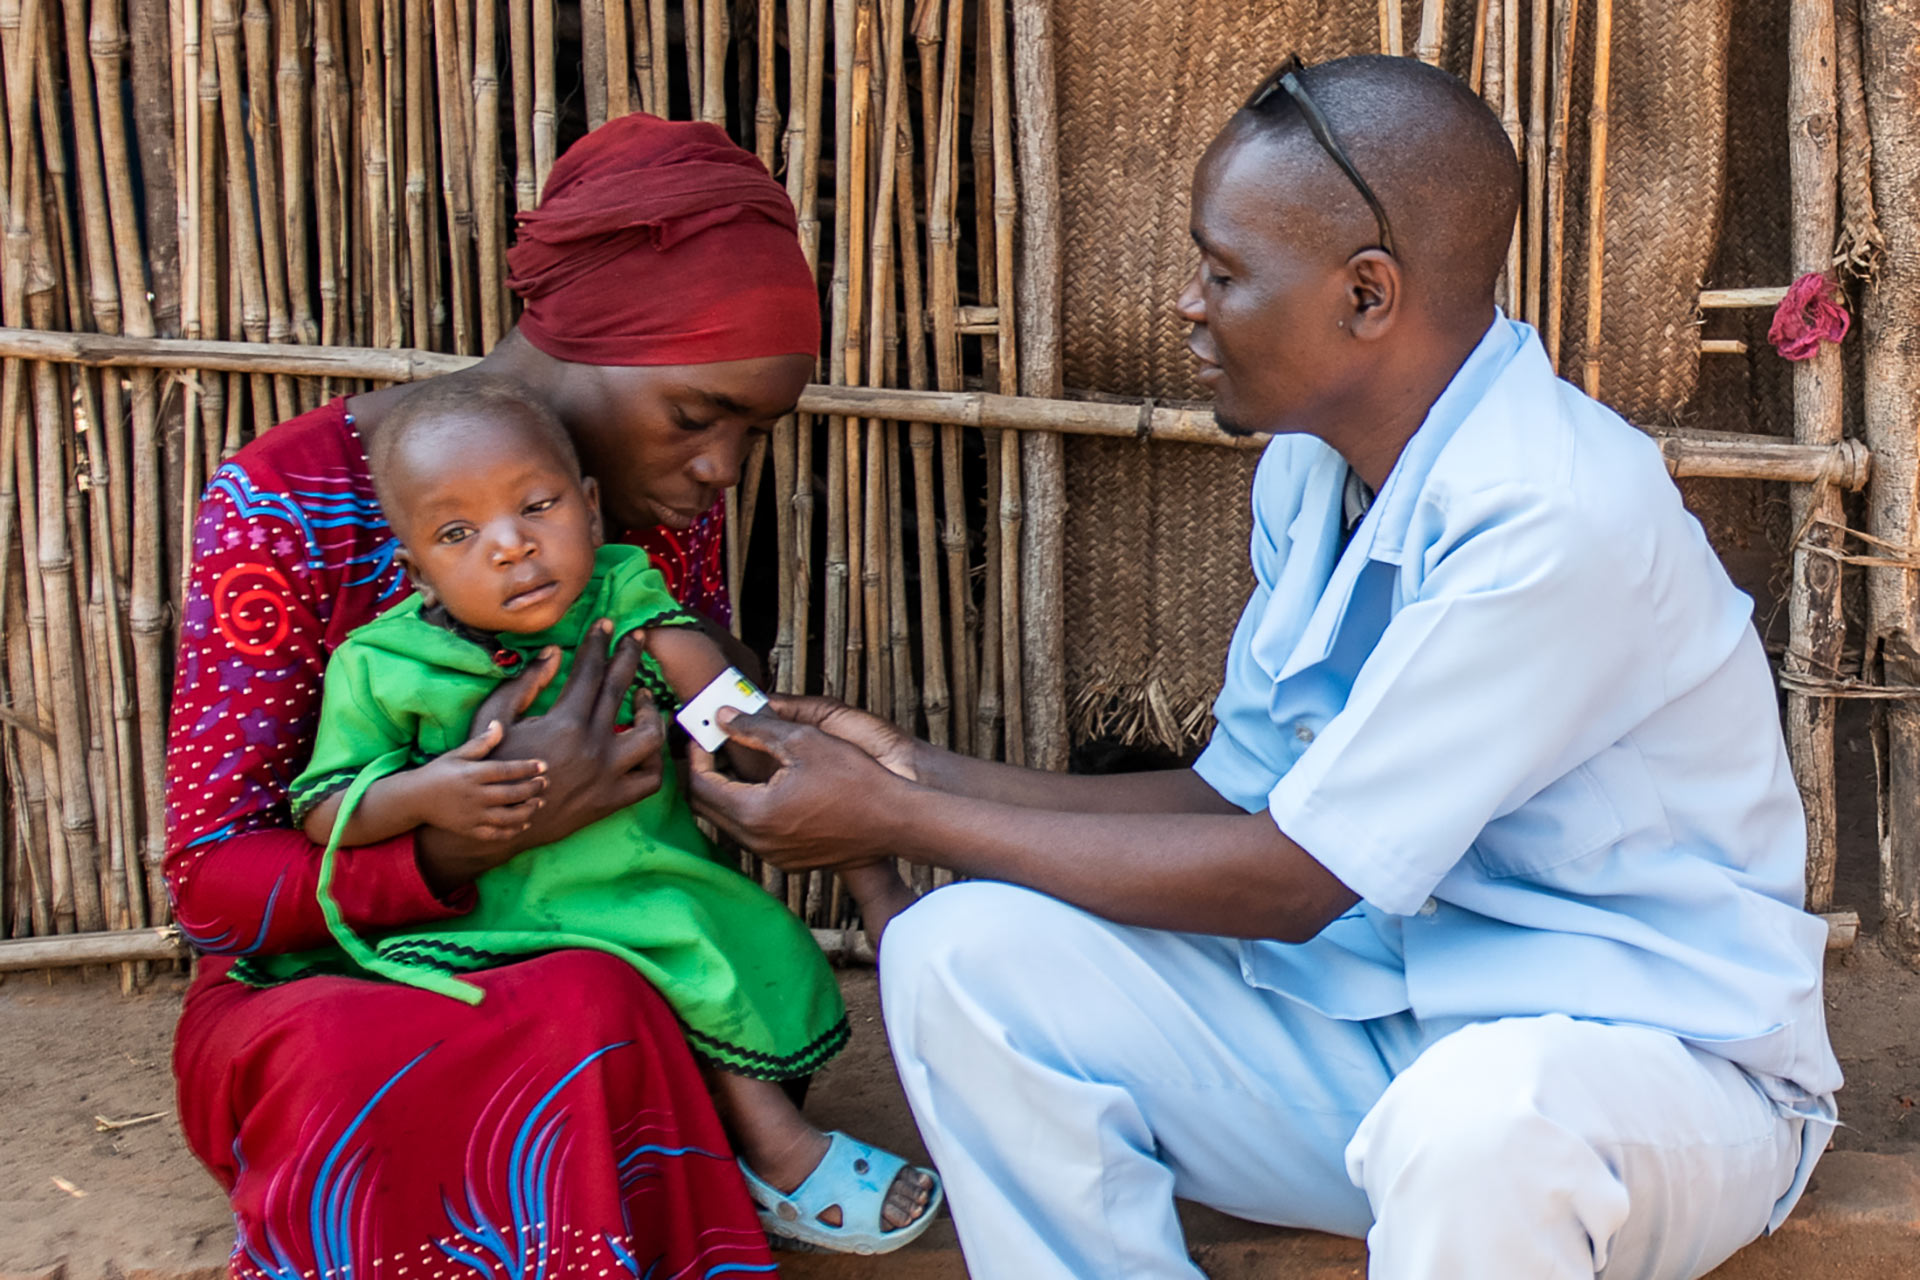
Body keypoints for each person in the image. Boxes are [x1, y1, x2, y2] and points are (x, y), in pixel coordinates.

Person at [687, 54, 1842, 1280]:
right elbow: (1235, 796)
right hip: (1384, 1047)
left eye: (1224, 270)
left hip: (1642, 1086)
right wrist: (913, 766)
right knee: (954, 957)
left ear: (1366, 295)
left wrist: (902, 814)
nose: (1188, 302)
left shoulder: (1553, 516)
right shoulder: (1313, 465)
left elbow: (1293, 878)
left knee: (1480, 1121)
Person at [166, 112, 929, 1278]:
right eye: (695, 416)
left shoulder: (632, 529)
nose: (721, 467)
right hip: (338, 977)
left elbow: (700, 715)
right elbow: (216, 889)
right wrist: (447, 847)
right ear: (580, 351)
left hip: (603, 943)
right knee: (436, 1040)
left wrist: (797, 754)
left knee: (619, 988)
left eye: (749, 431)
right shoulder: (288, 501)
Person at [248, 373, 935, 1254]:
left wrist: (871, 879)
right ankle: (782, 1156)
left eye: (536, 507)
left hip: (637, 883)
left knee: (700, 937)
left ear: (590, 505)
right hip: (496, 918)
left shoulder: (625, 602)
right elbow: (324, 809)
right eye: (459, 533)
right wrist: (430, 793)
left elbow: (744, 729)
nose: (509, 547)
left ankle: (731, 1156)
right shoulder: (380, 665)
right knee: (664, 960)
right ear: (415, 566)